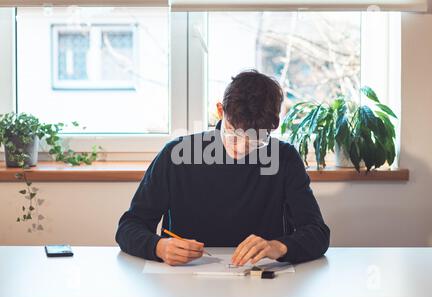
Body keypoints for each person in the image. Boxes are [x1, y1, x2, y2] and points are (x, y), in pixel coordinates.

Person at [115, 69, 330, 267]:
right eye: (233, 133)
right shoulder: (176, 155)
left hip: (260, 282)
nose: (241, 147)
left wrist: (279, 247)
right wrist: (158, 247)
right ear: (220, 111)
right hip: (185, 282)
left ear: (272, 128)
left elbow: (317, 233)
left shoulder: (284, 158)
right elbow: (128, 227)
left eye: (256, 140)